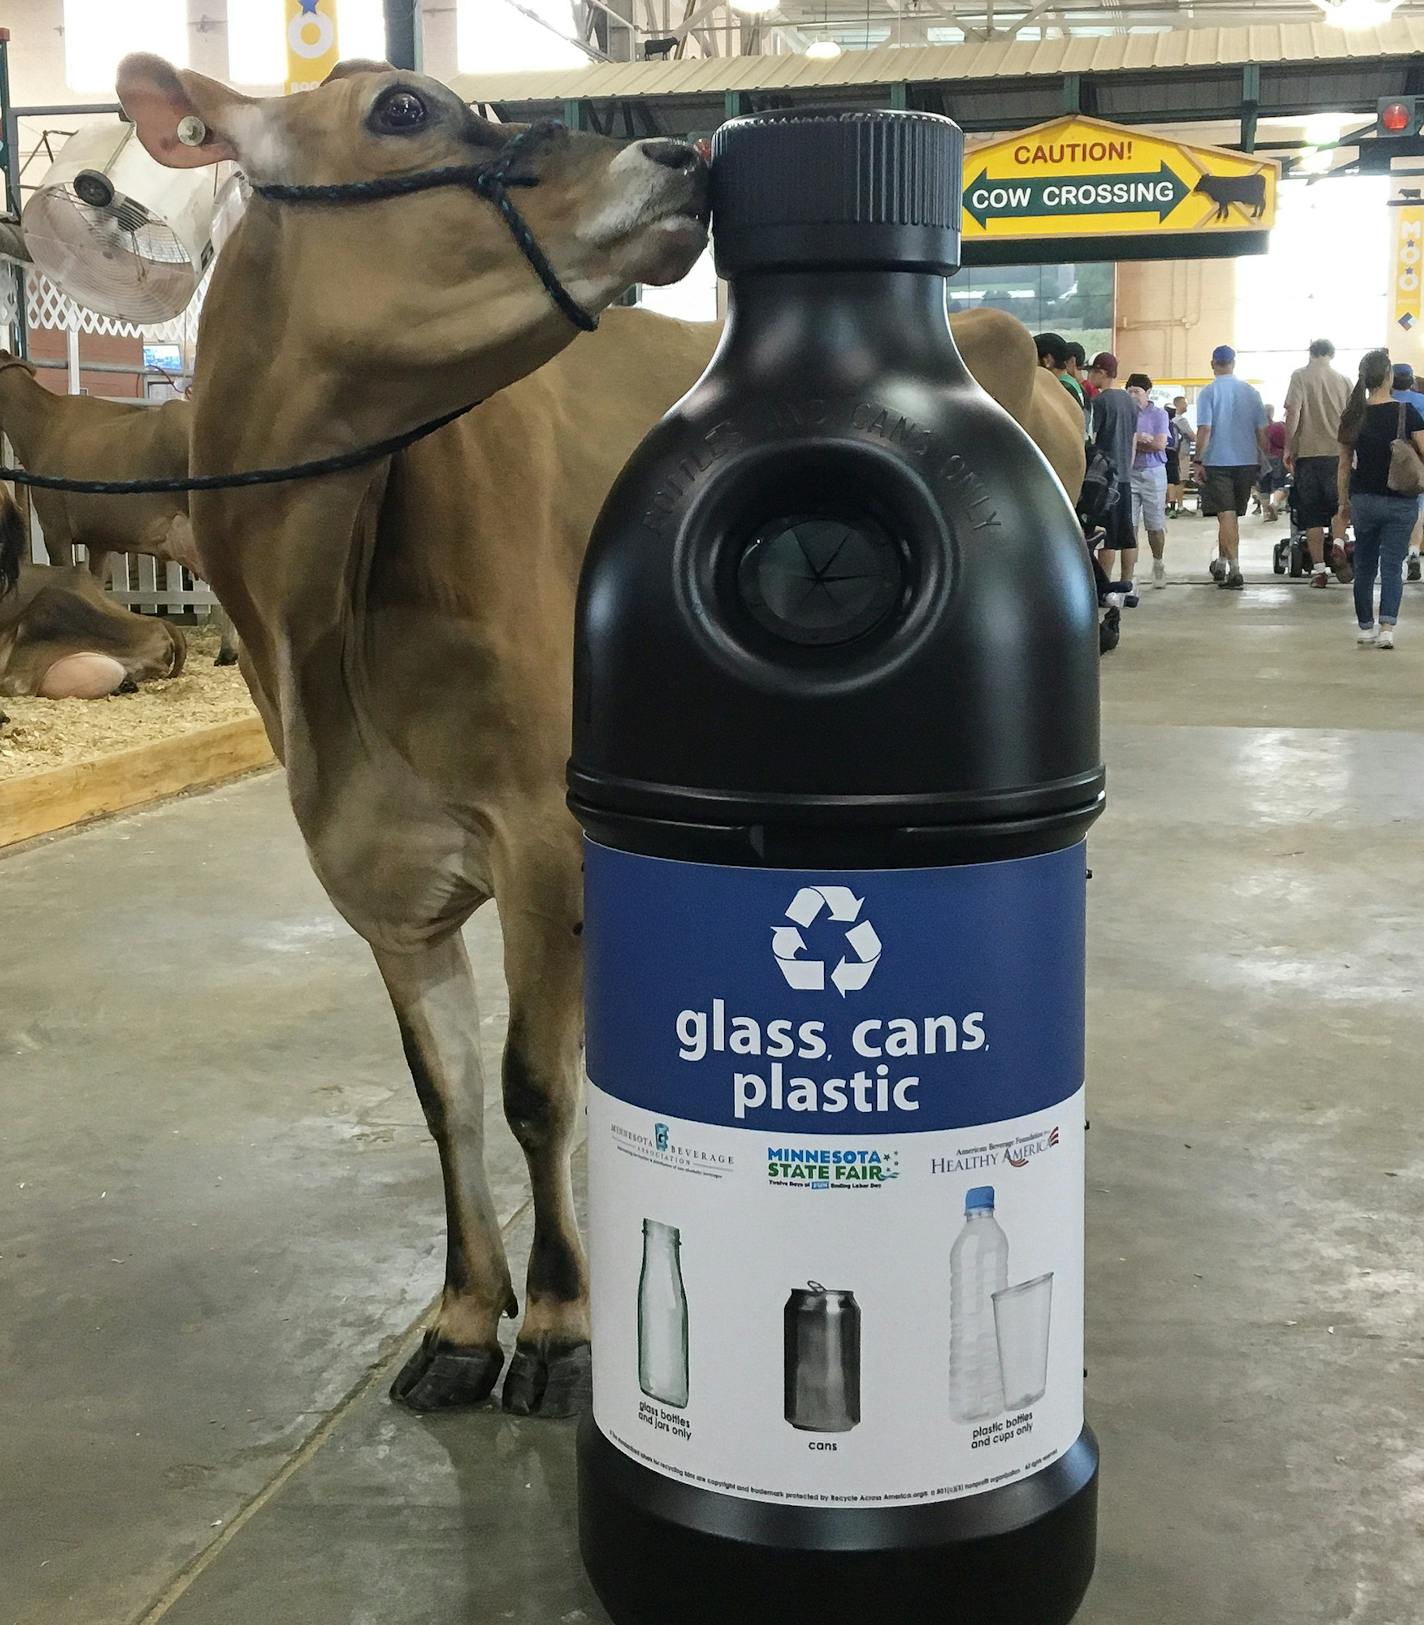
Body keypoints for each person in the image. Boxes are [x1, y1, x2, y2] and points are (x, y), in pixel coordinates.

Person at [1339, 348, 1424, 649]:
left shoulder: (1353, 415)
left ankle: (1365, 627)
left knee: (1364, 565)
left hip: (1363, 500)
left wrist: (1342, 503)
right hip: (1401, 501)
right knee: (1392, 566)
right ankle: (1387, 628)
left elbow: (1343, 464)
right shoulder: (1407, 412)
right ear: (1388, 376)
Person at [1194, 345, 1268, 591]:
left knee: (1225, 515)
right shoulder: (1251, 392)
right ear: (1233, 364)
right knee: (1231, 516)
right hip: (1247, 460)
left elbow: (1205, 429)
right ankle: (1222, 562)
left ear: (1213, 364)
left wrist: (1198, 461)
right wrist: (1265, 458)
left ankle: (1235, 569)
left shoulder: (1208, 393)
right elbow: (1262, 432)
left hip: (1218, 461)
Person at [1284, 338, 1353, 588]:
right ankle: (1337, 544)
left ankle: (1319, 571)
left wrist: (1288, 448)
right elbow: (1354, 420)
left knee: (1311, 515)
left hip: (1309, 455)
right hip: (1338, 455)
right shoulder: (1345, 381)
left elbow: (1294, 412)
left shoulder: (1300, 376)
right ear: (1331, 355)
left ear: (1310, 353)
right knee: (1339, 507)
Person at [1090, 352, 1139, 593]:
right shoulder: (1130, 401)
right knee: (1127, 533)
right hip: (1125, 477)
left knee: (1106, 536)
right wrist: (1126, 469)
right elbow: (1133, 439)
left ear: (1101, 372)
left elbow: (1093, 438)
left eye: (1092, 371)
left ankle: (1106, 587)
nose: (1090, 376)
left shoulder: (1100, 402)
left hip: (1104, 479)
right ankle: (1128, 583)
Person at [1126, 372, 1171, 587]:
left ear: (1148, 393)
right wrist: (1141, 440)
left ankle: (1158, 562)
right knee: (1130, 524)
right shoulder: (1125, 412)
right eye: (1130, 391)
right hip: (1131, 472)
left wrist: (1138, 442)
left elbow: (1160, 444)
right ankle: (1130, 571)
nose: (1134, 395)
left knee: (1154, 524)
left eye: (1138, 391)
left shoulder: (1159, 414)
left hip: (1153, 472)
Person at [1393, 363, 1424, 580]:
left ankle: (1393, 557)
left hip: (1389, 463)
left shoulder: (1383, 402)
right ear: (1411, 380)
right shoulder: (1421, 402)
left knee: (1393, 510)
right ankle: (1414, 551)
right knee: (1419, 509)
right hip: (1417, 461)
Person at [1258, 405, 1288, 521]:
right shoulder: (1278, 427)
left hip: (1262, 459)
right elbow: (1284, 442)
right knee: (1280, 483)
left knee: (1263, 486)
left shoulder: (1258, 428)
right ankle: (1275, 504)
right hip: (1276, 458)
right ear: (1272, 413)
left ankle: (1266, 513)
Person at [1167, 395, 1194, 516]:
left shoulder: (1170, 420)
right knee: (1181, 480)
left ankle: (1168, 505)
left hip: (1171, 453)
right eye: (1185, 403)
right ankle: (1180, 506)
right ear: (1177, 404)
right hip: (1182, 453)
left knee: (1171, 480)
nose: (1186, 405)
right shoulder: (1181, 420)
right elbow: (1192, 436)